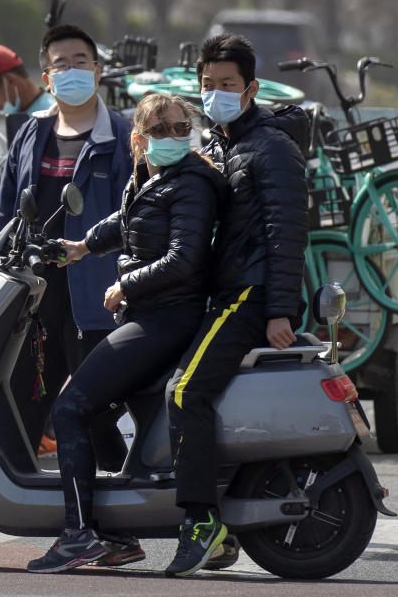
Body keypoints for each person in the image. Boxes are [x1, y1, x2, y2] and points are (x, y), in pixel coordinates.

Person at [25, 93, 226, 573]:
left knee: (70, 409)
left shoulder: (190, 183)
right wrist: (79, 247)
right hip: (151, 315)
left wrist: (124, 283)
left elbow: (184, 259)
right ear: (139, 140)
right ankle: (116, 533)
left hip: (164, 320)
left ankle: (78, 535)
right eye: (163, 130)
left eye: (182, 129)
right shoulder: (151, 179)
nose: (177, 137)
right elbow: (129, 222)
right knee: (93, 416)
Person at [162, 33, 309, 578]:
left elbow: (288, 232)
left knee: (185, 392)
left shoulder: (270, 147)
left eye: (226, 85)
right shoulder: (220, 142)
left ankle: (201, 522)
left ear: (249, 88)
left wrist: (280, 311)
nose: (215, 93)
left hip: (249, 296)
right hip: (223, 293)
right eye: (207, 85)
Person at [0, 24, 131, 466]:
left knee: (93, 412)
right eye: (60, 64)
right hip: (33, 298)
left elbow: (139, 218)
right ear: (47, 78)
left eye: (80, 62)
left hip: (97, 298)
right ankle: (16, 501)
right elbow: (5, 210)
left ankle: (119, 511)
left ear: (98, 70)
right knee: (21, 404)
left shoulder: (124, 139)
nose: (71, 71)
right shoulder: (29, 135)